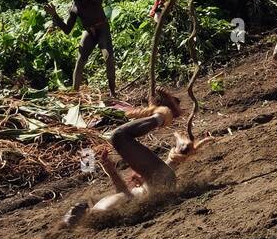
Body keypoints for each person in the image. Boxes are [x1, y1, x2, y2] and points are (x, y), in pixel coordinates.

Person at [62, 90, 201, 228]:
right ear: (80, 221)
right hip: (157, 187)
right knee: (119, 136)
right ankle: (164, 115)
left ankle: (180, 152)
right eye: (71, 215)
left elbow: (124, 194)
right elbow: (131, 203)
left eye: (68, 211)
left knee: (121, 139)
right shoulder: (99, 211)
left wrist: (110, 170)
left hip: (157, 185)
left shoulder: (100, 207)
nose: (72, 209)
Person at [46, 0, 116, 99]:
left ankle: (112, 91)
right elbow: (67, 29)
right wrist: (54, 15)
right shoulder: (74, 8)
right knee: (80, 61)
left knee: (108, 58)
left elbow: (98, 0)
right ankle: (75, 93)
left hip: (102, 27)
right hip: (89, 31)